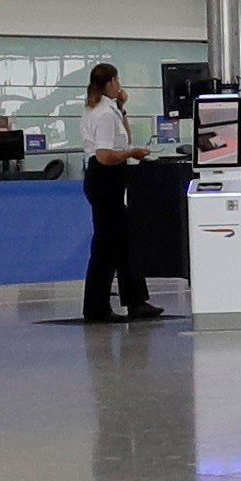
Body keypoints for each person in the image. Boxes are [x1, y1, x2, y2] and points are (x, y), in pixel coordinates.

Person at [78, 63, 163, 322]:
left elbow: (123, 136)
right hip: (105, 179)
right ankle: (96, 307)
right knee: (106, 245)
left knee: (125, 241)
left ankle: (136, 300)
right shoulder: (103, 114)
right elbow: (104, 155)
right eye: (118, 80)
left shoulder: (104, 109)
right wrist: (132, 153)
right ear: (112, 82)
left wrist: (123, 108)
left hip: (106, 180)